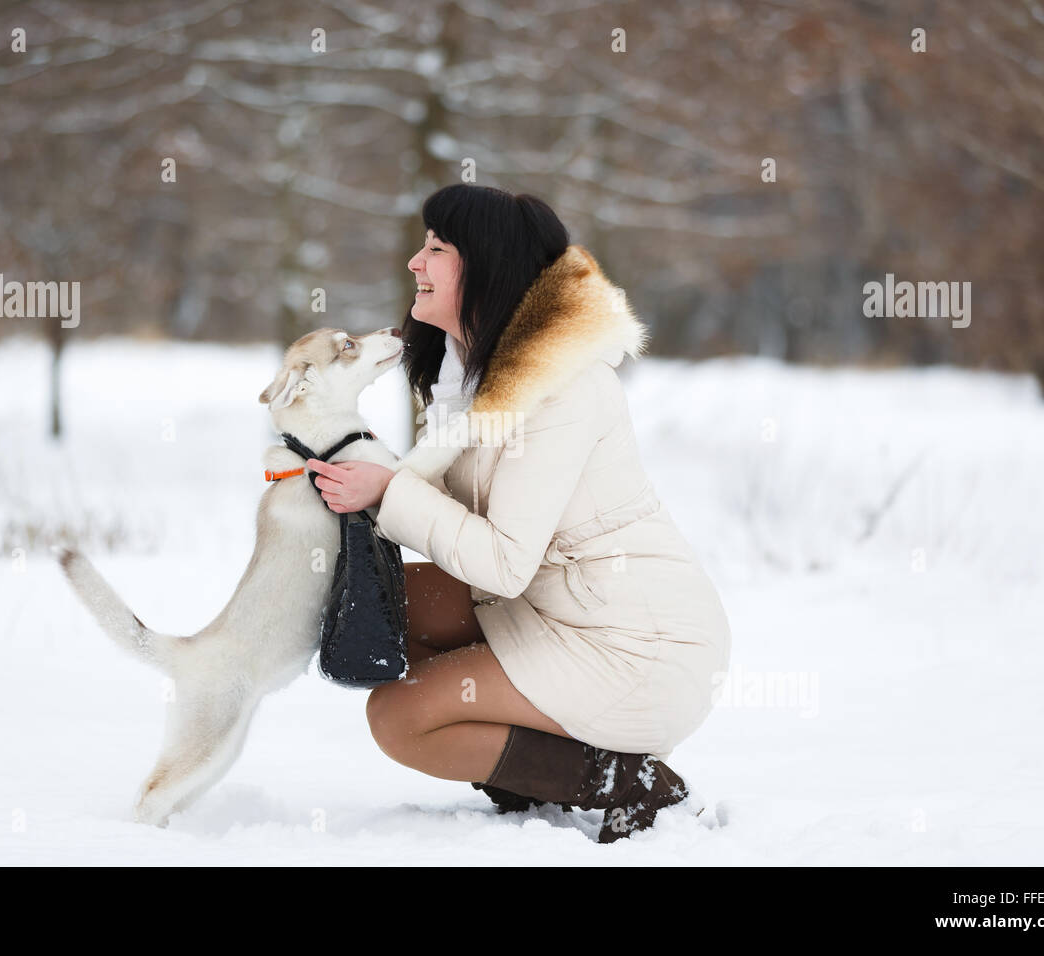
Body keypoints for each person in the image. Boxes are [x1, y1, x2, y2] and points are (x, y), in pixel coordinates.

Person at [304, 184, 731, 842]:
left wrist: (390, 490)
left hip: (635, 646)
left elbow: (501, 562)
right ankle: (535, 774)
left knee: (400, 717)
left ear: (488, 266)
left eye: (437, 249)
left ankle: (633, 781)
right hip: (550, 604)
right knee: (384, 609)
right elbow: (454, 519)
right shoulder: (464, 377)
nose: (415, 263)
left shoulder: (565, 387)